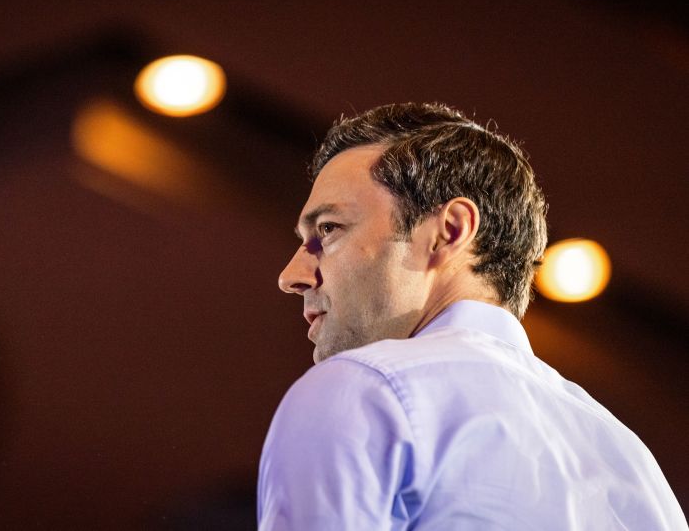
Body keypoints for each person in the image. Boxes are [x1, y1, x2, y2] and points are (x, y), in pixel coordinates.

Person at [257, 103, 687, 530]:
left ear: (449, 231)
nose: (290, 276)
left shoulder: (360, 391)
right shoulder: (634, 466)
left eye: (329, 229)